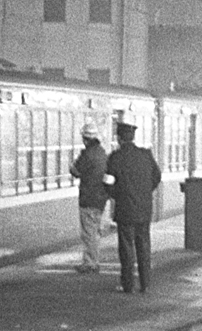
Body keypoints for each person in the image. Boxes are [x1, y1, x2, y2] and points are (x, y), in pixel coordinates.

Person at [105, 114, 161, 293]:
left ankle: (127, 284)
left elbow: (107, 183)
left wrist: (117, 196)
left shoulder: (115, 158)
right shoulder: (146, 155)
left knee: (127, 248)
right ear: (133, 137)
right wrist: (145, 193)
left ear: (119, 139)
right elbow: (156, 177)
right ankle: (145, 284)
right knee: (144, 246)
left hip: (125, 210)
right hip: (144, 209)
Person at [69, 122, 109, 273]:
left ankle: (90, 263)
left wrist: (72, 167)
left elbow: (75, 171)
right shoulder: (102, 152)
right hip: (100, 198)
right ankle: (93, 260)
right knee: (95, 231)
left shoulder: (87, 154)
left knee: (89, 233)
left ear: (85, 138)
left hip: (88, 198)